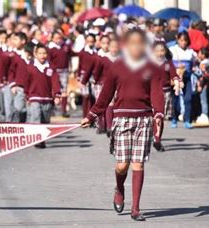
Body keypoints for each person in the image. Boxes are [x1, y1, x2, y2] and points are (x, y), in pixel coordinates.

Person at [81, 28, 164, 221]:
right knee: (122, 165)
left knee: (138, 164)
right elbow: (105, 95)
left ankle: (135, 209)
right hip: (122, 119)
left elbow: (156, 92)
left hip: (144, 119)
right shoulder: (117, 66)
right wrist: (92, 115)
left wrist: (158, 114)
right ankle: (119, 188)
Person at [24, 44, 61, 148]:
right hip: (34, 97)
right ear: (35, 54)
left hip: (47, 99)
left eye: (44, 53)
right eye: (40, 53)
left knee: (45, 120)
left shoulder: (51, 68)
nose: (42, 55)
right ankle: (37, 139)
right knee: (36, 117)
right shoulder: (30, 67)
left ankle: (42, 139)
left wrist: (57, 95)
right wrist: (26, 95)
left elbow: (55, 82)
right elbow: (26, 82)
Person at [151, 41, 179, 151]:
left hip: (165, 93)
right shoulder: (148, 64)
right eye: (157, 50)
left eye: (162, 50)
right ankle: (153, 136)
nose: (159, 53)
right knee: (153, 117)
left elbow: (174, 75)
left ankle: (157, 139)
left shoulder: (168, 64)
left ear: (166, 51)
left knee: (160, 117)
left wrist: (177, 83)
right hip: (151, 93)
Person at [169, 32, 196, 129]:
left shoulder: (191, 52)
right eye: (181, 40)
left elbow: (194, 65)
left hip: (187, 78)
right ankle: (174, 118)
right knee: (175, 99)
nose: (183, 42)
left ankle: (187, 120)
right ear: (178, 40)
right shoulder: (172, 50)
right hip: (175, 78)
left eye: (185, 40)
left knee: (188, 99)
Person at [47, 31, 71, 117]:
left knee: (64, 90)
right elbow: (48, 61)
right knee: (54, 90)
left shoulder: (65, 47)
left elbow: (70, 54)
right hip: (55, 71)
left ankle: (64, 110)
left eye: (60, 38)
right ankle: (52, 109)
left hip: (64, 71)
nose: (58, 40)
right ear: (52, 39)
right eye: (56, 38)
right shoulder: (50, 49)